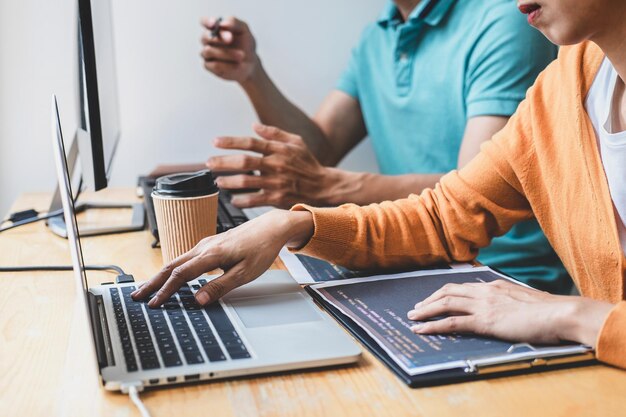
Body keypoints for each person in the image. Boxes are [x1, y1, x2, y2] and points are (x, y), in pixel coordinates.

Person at [134, 0, 626, 369]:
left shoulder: (504, 28)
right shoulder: (566, 84)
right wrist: (294, 227)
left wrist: (572, 317)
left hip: (538, 307)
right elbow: (444, 213)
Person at [197, 1, 570, 293]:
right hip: (406, 256)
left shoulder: (507, 20)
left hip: (498, 272)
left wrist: (328, 188)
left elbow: (471, 195)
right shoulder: (377, 37)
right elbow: (319, 152)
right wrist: (252, 75)